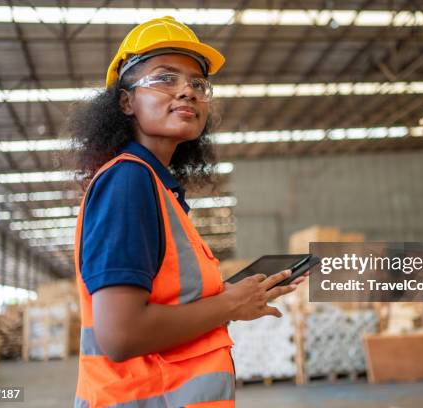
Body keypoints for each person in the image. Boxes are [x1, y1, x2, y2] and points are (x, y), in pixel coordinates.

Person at [67, 16, 306, 408]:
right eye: (165, 78)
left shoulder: (156, 187)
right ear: (126, 101)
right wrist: (228, 304)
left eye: (198, 84)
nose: (187, 92)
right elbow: (120, 335)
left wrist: (232, 298)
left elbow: (166, 307)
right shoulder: (129, 181)